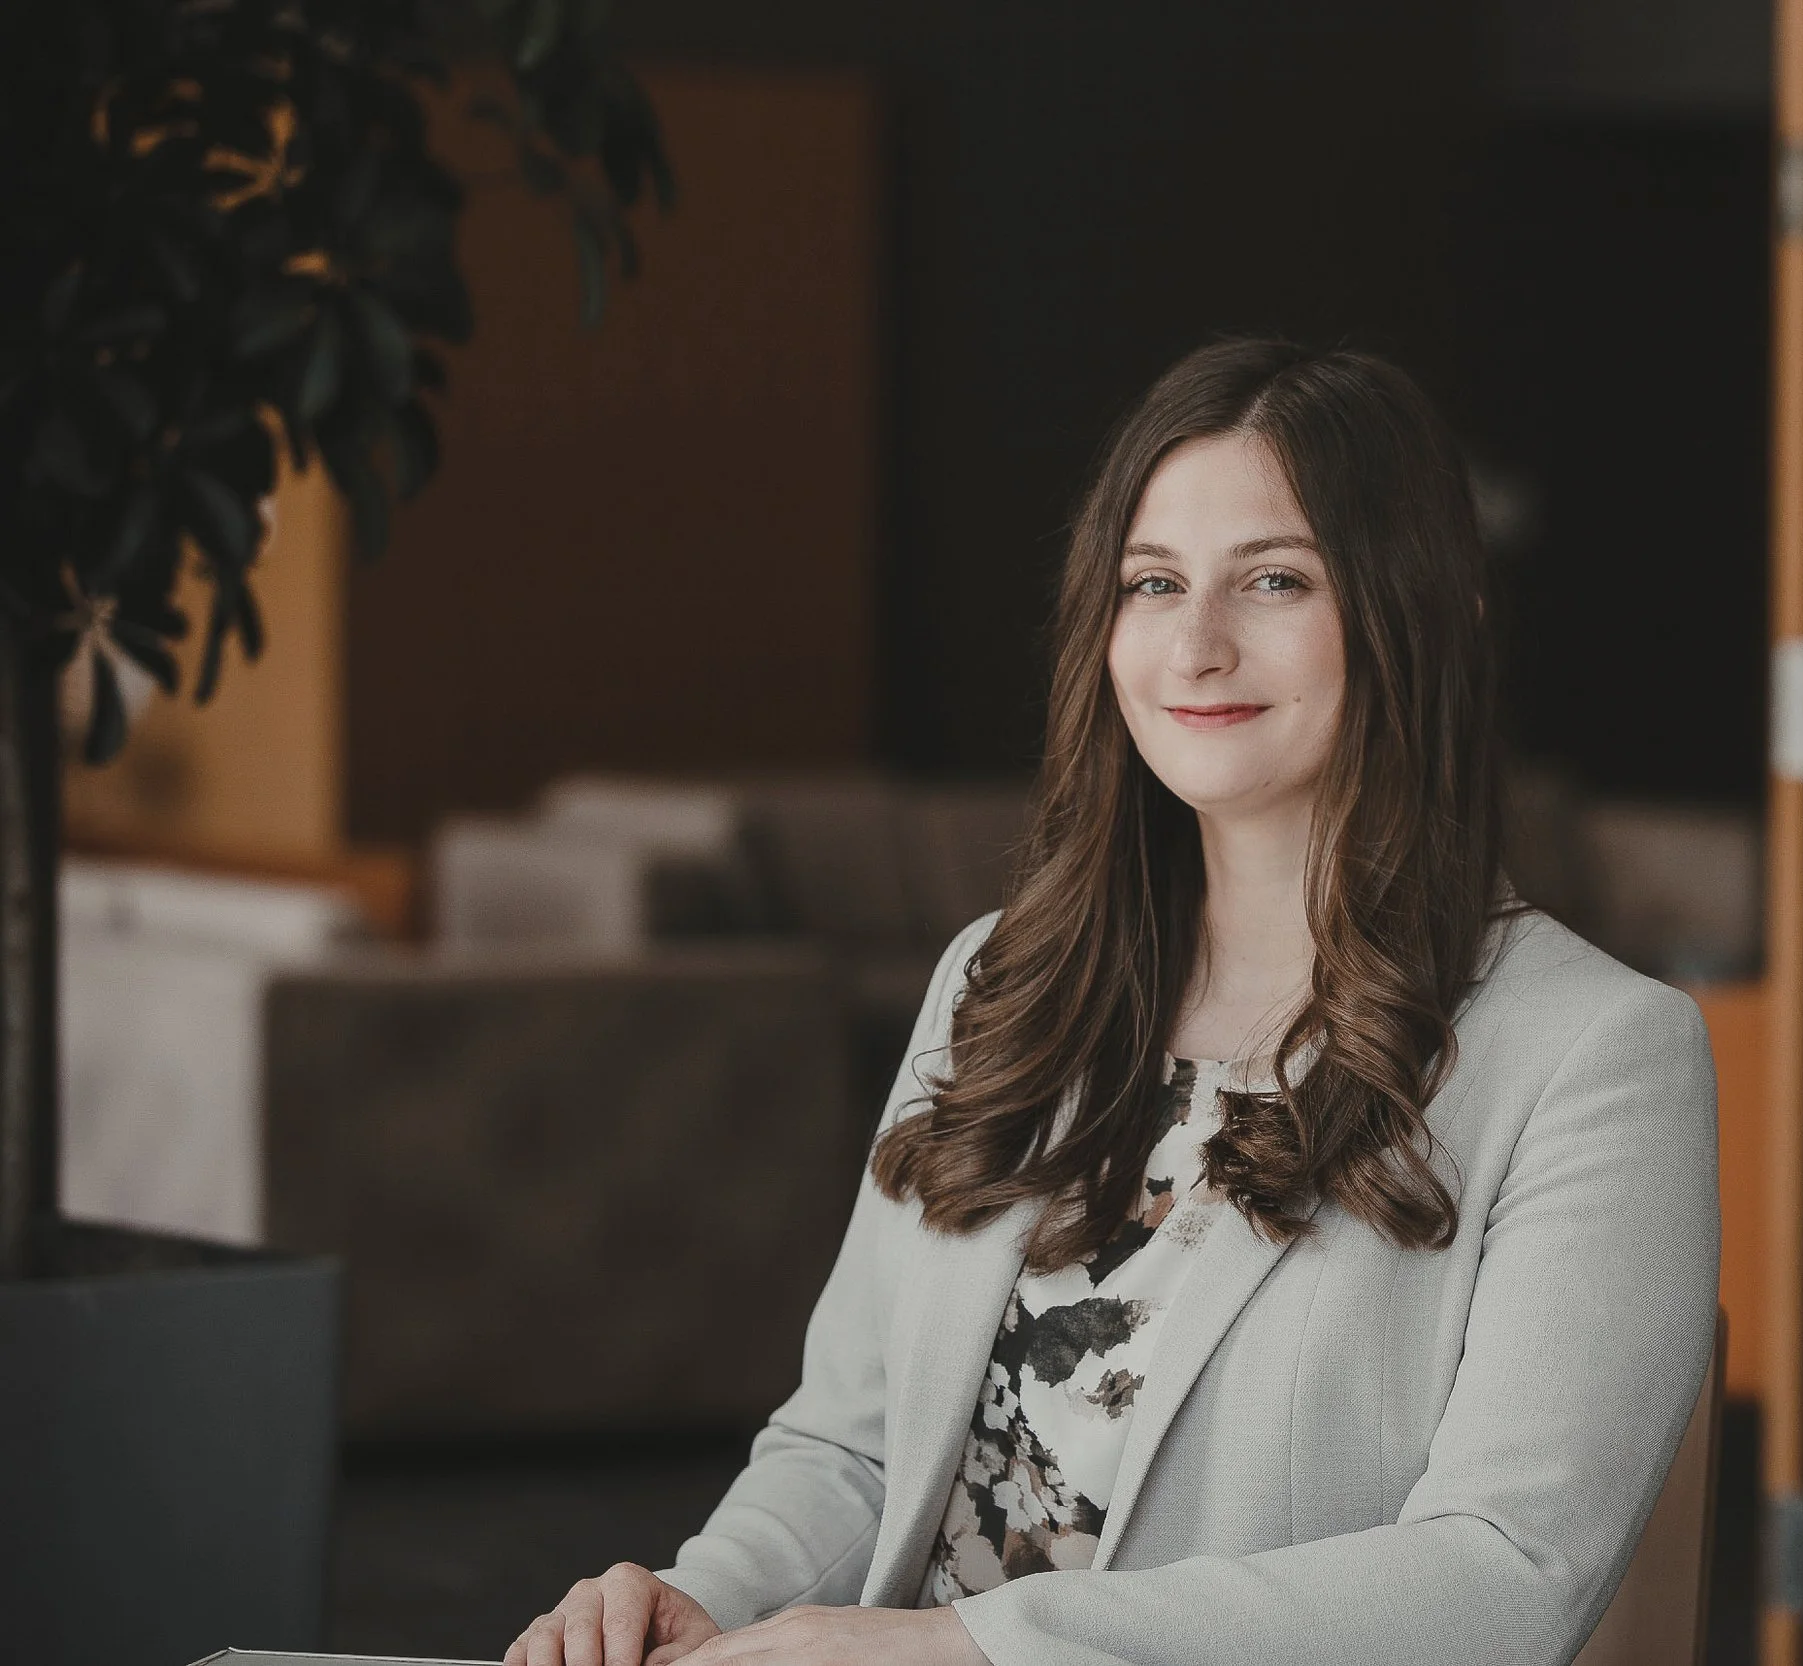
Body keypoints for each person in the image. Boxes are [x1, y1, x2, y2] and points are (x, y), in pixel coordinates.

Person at [505, 338, 1719, 1666]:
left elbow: (1503, 1580)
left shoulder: (1597, 1054)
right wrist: (705, 1595)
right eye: (1154, 583)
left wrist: (965, 1650)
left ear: (1420, 611)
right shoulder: (1001, 978)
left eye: (1274, 578)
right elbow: (850, 1447)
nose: (1197, 643)